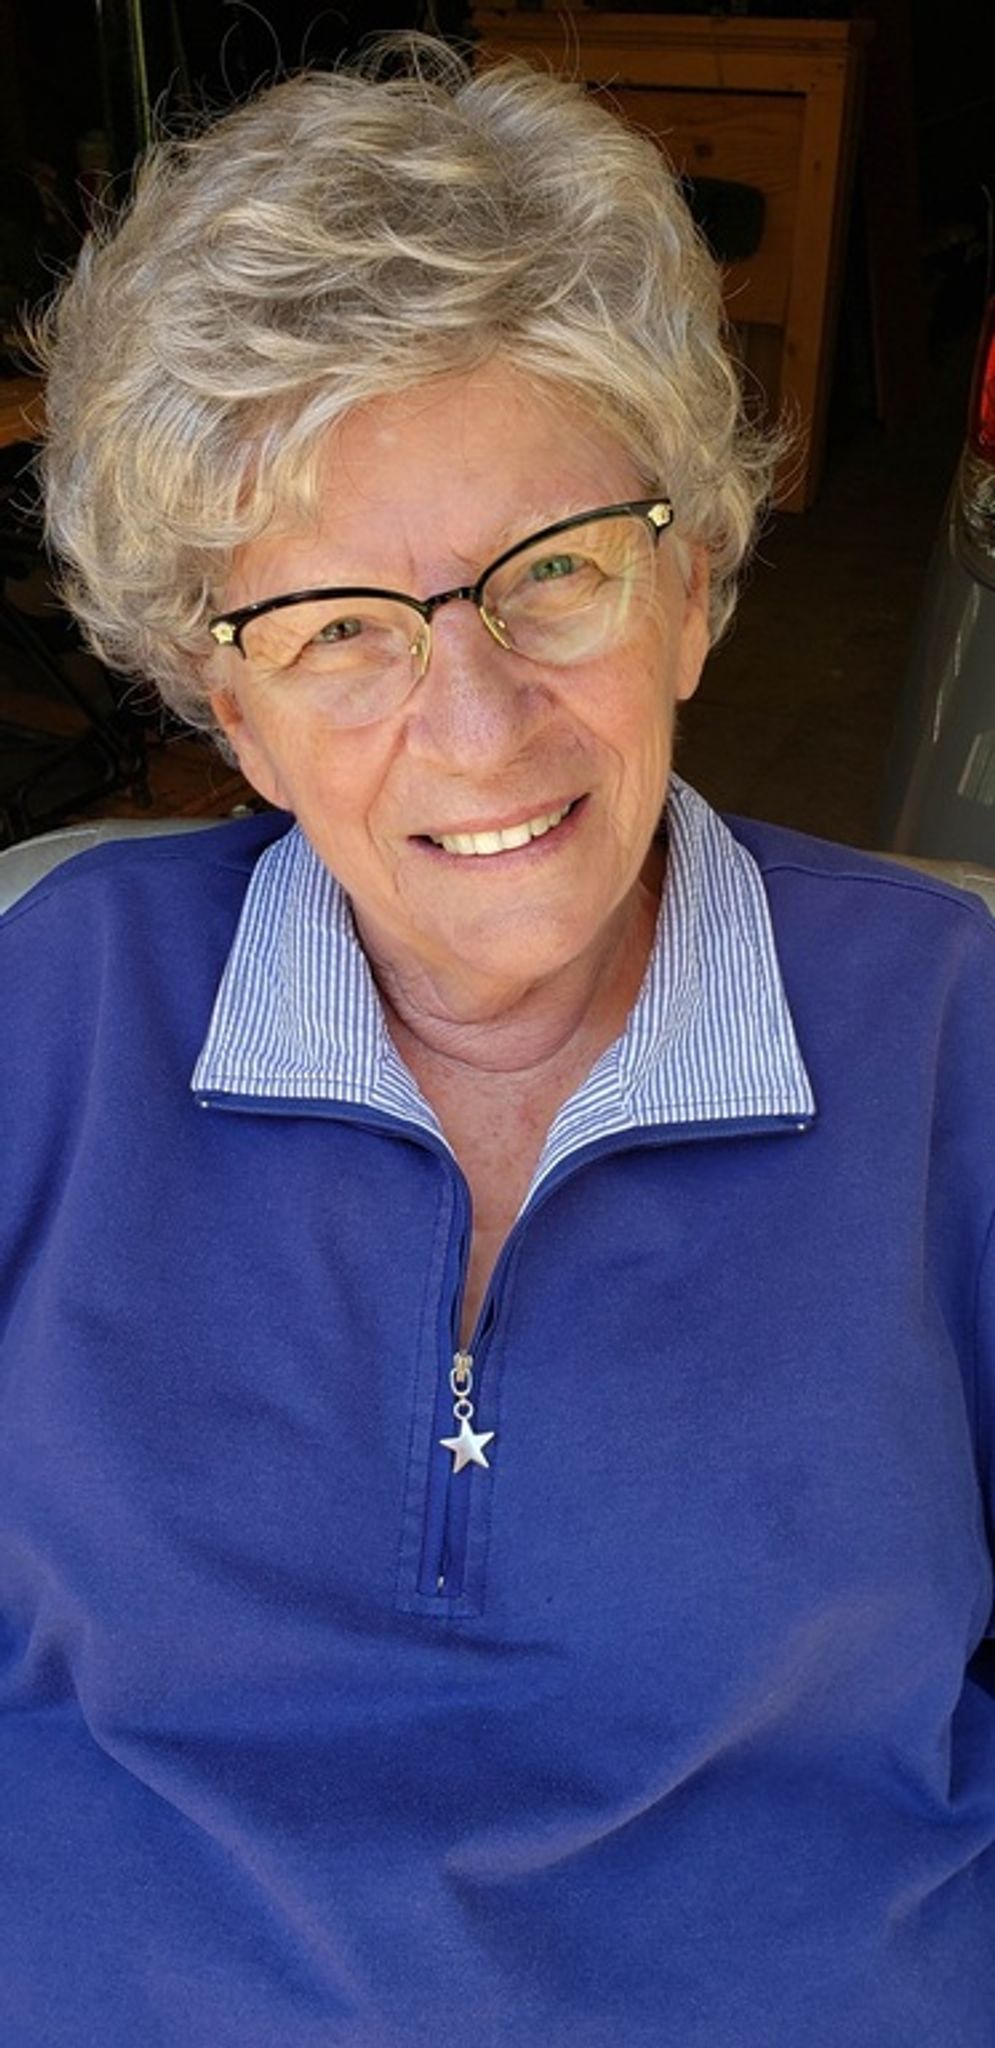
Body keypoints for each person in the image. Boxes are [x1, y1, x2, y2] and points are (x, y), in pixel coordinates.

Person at [2, 35, 994, 2048]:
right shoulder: (54, 1007)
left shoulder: (952, 1040)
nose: (475, 721)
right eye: (340, 628)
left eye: (554, 575)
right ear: (229, 708)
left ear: (692, 586)